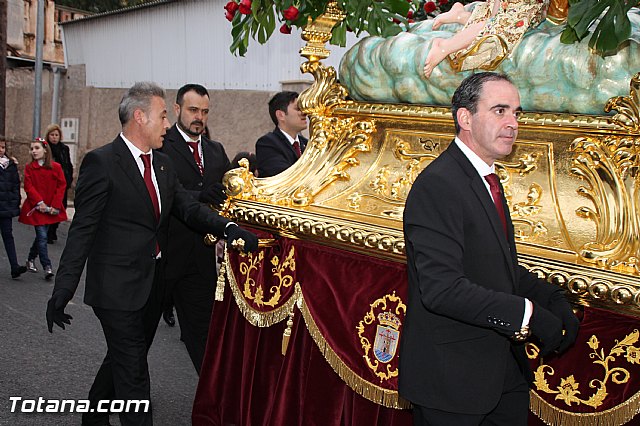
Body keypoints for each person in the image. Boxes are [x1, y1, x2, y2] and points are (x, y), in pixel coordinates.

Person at [45, 82, 258, 426]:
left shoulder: (161, 164)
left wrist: (229, 229)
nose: (167, 124)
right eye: (162, 116)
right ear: (140, 117)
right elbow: (82, 231)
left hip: (152, 284)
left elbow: (188, 208)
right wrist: (62, 291)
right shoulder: (102, 162)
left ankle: (93, 417)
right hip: (116, 289)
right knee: (134, 379)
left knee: (123, 359)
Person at [399, 72, 579, 425]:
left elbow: (497, 266)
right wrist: (529, 315)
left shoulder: (486, 179)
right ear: (465, 118)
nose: (513, 123)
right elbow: (442, 289)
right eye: (500, 111)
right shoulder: (439, 184)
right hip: (453, 384)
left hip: (502, 374)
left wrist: (552, 298)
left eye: (516, 112)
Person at [158, 83, 231, 374]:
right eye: (193, 110)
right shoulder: (162, 144)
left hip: (201, 261)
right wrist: (200, 196)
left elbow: (228, 193)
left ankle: (214, 405)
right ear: (177, 110)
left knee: (204, 337)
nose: (199, 117)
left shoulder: (215, 150)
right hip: (163, 258)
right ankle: (98, 409)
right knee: (135, 340)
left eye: (204, 111)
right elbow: (165, 195)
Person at [423, 0, 548, 78]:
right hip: (508, 6)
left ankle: (460, 15)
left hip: (526, 7)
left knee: (504, 23)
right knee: (494, 28)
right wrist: (493, 17)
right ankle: (444, 46)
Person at [18, 138, 68, 280]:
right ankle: (47, 266)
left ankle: (30, 259)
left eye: (37, 148)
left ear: (45, 150)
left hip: (51, 208)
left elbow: (61, 185)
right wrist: (39, 202)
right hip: (37, 208)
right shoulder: (30, 168)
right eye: (32, 148)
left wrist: (55, 205)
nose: (34, 151)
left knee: (41, 237)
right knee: (43, 236)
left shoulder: (56, 167)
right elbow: (28, 186)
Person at [255, 91, 308, 178]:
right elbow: (284, 176)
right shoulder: (267, 144)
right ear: (281, 115)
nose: (304, 113)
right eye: (298, 109)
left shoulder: (307, 144)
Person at [0, 137, 27, 279]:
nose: (1, 150)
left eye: (3, 147)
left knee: (8, 236)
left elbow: (15, 186)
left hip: (5, 208)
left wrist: (16, 203)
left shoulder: (10, 165)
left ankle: (14, 266)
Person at [44, 124, 73, 244]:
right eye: (52, 135)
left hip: (63, 182)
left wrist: (69, 178)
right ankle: (48, 232)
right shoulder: (45, 148)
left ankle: (54, 229)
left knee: (62, 207)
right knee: (51, 207)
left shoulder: (64, 148)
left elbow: (68, 164)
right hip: (51, 183)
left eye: (56, 135)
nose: (54, 137)